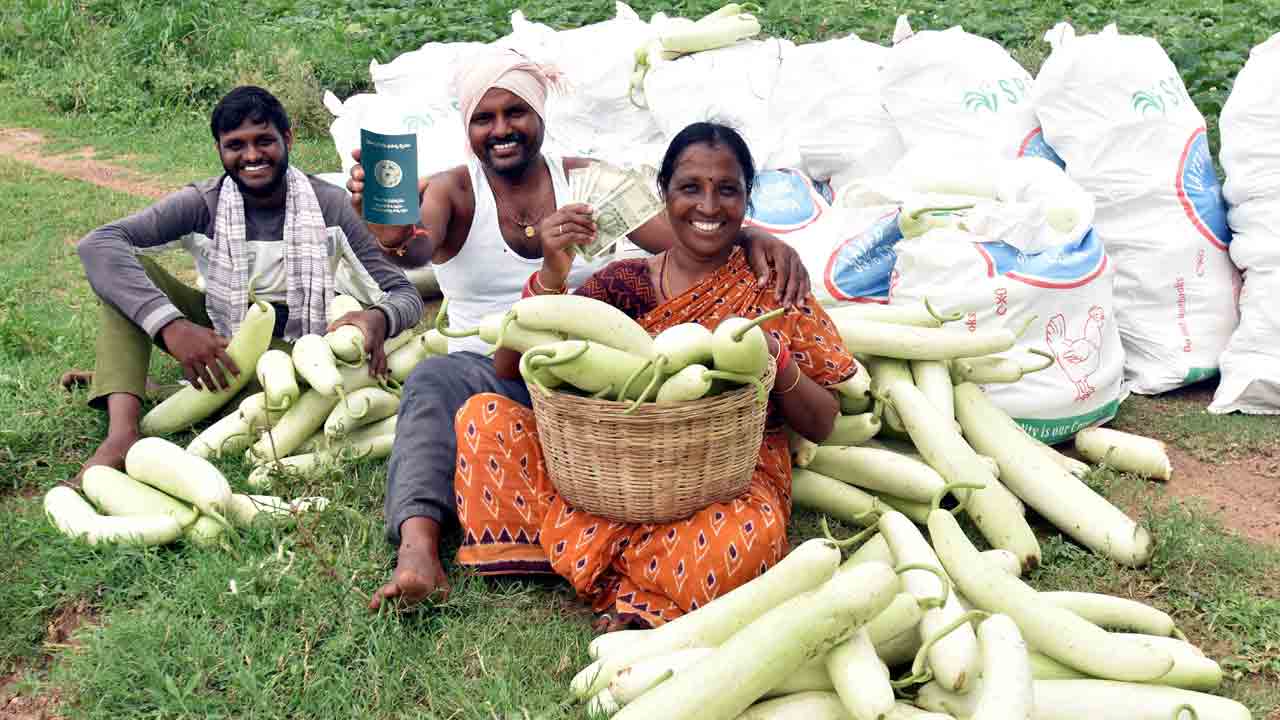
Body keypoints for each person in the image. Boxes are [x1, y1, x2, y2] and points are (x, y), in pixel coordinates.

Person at [348, 48, 816, 611]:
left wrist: (756, 237)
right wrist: (392, 234)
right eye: (484, 118)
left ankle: (598, 538)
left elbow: (690, 229)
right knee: (431, 383)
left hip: (593, 373)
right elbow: (415, 248)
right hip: (493, 368)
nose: (501, 129)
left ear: (540, 115)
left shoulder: (585, 183)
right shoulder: (455, 192)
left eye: (516, 112)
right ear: (467, 128)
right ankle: (418, 553)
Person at [448, 121, 854, 629]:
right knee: (485, 418)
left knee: (750, 536)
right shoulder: (623, 283)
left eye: (727, 190)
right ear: (664, 194)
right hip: (604, 474)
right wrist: (552, 271)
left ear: (747, 200)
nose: (709, 206)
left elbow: (823, 422)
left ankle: (588, 557)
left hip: (721, 486)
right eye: (690, 188)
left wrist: (776, 357)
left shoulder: (772, 286)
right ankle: (642, 571)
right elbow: (507, 367)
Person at [69, 86, 424, 478]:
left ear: (287, 139)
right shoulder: (203, 203)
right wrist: (173, 328)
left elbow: (404, 294)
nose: (252, 155)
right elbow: (98, 245)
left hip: (299, 342)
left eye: (264, 141)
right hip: (219, 326)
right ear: (219, 149)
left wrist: (378, 318)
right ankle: (122, 433)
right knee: (122, 276)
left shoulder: (331, 206)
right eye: (236, 145)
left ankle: (127, 382)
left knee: (289, 391)